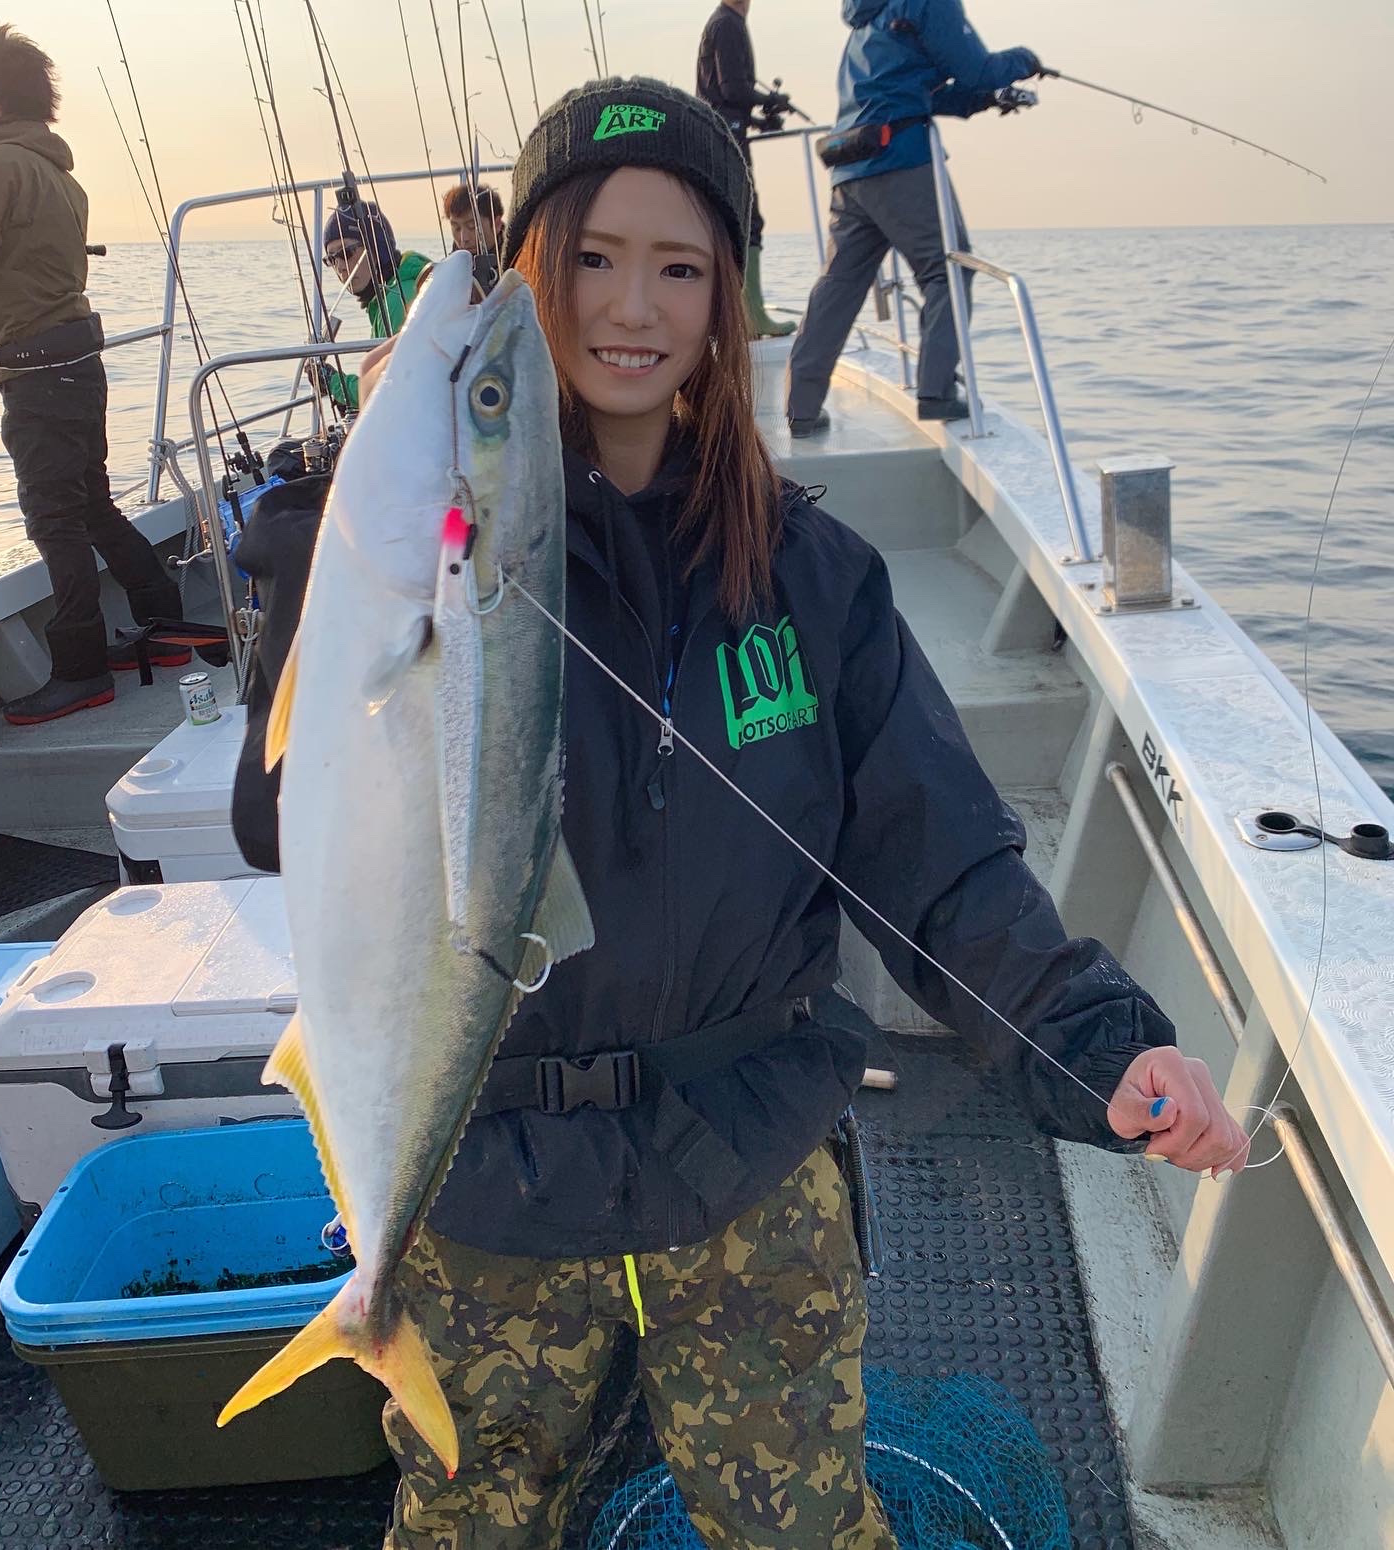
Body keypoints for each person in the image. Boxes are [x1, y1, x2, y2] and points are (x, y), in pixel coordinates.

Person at [358, 78, 1248, 1550]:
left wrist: (1102, 1041)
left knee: (801, 1526)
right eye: (589, 255)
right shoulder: (417, 562)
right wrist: (322, 571)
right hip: (492, 1182)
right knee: (469, 1522)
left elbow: (942, 868)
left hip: (747, 1159)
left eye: (681, 265)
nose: (630, 304)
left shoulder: (816, 584)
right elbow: (289, 820)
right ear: (522, 279)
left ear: (729, 304)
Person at [0, 23, 190, 726]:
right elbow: (33, 274)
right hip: (79, 366)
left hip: (38, 377)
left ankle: (82, 670)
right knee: (91, 505)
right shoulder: (59, 174)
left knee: (54, 520)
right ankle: (162, 621)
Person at [785, 0, 1041, 436]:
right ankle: (936, 392)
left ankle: (800, 409)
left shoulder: (866, 16)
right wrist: (1024, 61)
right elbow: (977, 68)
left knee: (839, 287)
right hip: (901, 163)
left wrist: (986, 99)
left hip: (852, 169)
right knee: (949, 272)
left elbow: (916, 87)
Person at [696, 0, 795, 338]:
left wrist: (755, 120)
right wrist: (770, 102)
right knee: (746, 221)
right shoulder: (726, 24)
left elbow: (724, 96)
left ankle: (740, 315)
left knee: (738, 220)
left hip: (725, 131)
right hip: (726, 138)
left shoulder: (727, 22)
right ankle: (751, 316)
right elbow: (732, 89)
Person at [315, 198, 431, 412]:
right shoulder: (389, 296)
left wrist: (331, 382)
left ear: (376, 248)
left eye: (345, 253)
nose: (340, 266)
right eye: (331, 259)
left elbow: (385, 390)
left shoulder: (398, 301)